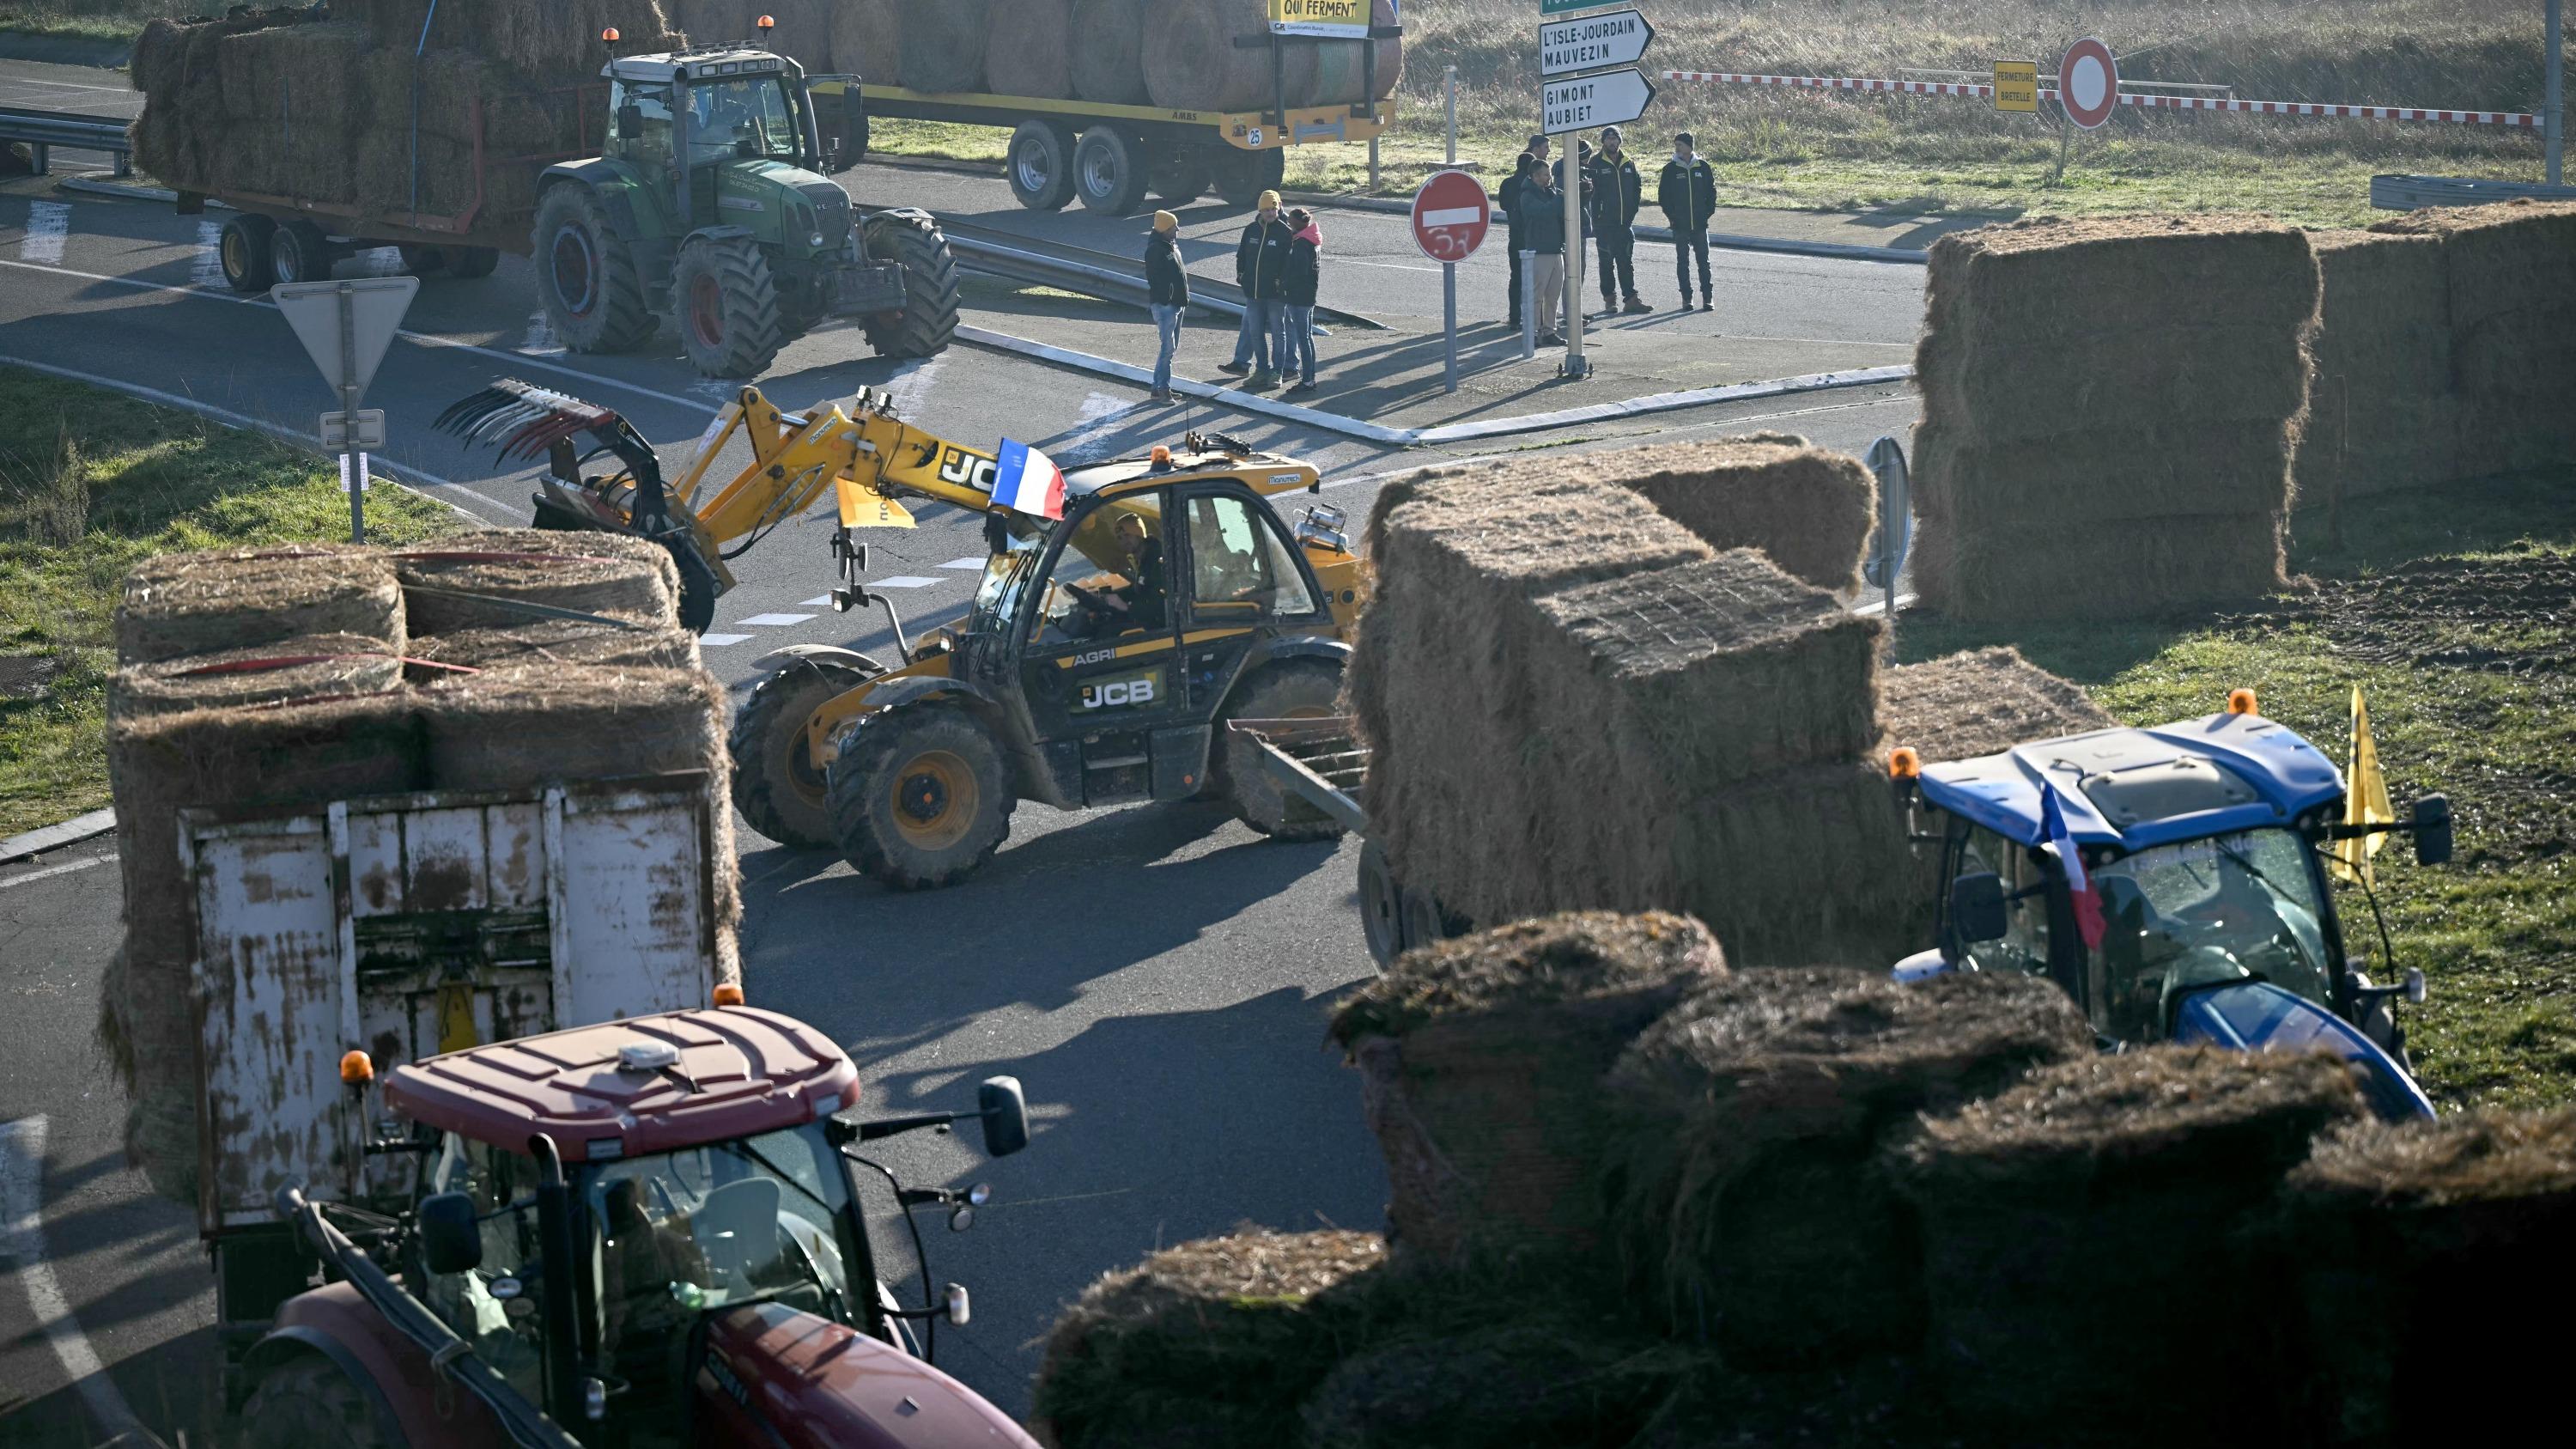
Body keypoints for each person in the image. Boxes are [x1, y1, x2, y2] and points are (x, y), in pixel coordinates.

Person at [1219, 191, 1294, 389]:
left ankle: (1277, 371)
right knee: (1255, 333)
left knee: (1279, 333)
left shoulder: (1285, 232)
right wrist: (1241, 275)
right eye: (1266, 210)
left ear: (1278, 208)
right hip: (1253, 293)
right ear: (1260, 210)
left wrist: (1281, 283)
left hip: (1275, 296)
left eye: (1273, 209)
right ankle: (1261, 370)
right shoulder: (1251, 230)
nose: (1270, 213)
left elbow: (1289, 264)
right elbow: (1241, 256)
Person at [1589, 125, 1647, 315]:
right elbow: (1591, 194)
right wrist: (1596, 218)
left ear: (1620, 141)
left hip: (1624, 224)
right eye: (1608, 139)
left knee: (1626, 263)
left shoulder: (1628, 162)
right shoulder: (1595, 163)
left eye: (1615, 138)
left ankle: (1631, 299)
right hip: (1604, 225)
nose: (1612, 142)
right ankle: (1609, 300)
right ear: (1603, 142)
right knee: (1606, 264)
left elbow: (1637, 188)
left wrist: (1632, 211)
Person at [1659, 131, 1717, 312]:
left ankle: (1707, 298)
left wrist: (1706, 213)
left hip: (1700, 224)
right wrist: (1673, 217)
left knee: (1704, 262)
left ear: (1690, 146)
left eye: (1681, 144)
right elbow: (1663, 197)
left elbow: (1711, 192)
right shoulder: (1670, 169)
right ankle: (1687, 298)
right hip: (1680, 225)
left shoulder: (1703, 167)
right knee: (1682, 262)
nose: (1677, 148)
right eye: (1676, 144)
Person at [1512, 161, 1565, 347]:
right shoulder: (1527, 196)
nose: (1548, 178)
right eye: (1543, 175)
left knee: (1553, 295)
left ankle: (1550, 330)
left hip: (1556, 250)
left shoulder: (1551, 192)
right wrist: (1560, 199)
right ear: (1533, 176)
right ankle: (1532, 332)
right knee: (1536, 296)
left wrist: (1584, 194)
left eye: (1548, 174)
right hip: (1539, 251)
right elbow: (1544, 212)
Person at [1145, 210, 1188, 403]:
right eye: (1173, 227)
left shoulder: (1170, 245)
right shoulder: (1156, 249)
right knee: (1167, 348)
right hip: (1166, 306)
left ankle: (1156, 388)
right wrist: (1167, 299)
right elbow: (1155, 279)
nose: (1177, 229)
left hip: (1176, 303)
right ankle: (1163, 390)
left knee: (1170, 348)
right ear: (1164, 229)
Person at [1279, 208, 1322, 393]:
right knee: (1307, 338)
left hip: (1299, 298)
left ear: (1296, 223)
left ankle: (1307, 381)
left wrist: (1284, 285)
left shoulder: (1301, 244)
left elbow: (1299, 272)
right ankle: (1310, 377)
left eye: (1289, 220)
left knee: (1302, 339)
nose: (1288, 222)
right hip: (1309, 296)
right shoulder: (1312, 239)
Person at [1498, 151, 1538, 325]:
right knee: (1536, 279)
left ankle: (1514, 317)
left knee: (1516, 278)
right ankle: (1533, 318)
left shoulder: (1507, 183)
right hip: (1533, 236)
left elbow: (1503, 205)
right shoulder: (1532, 184)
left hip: (1514, 236)